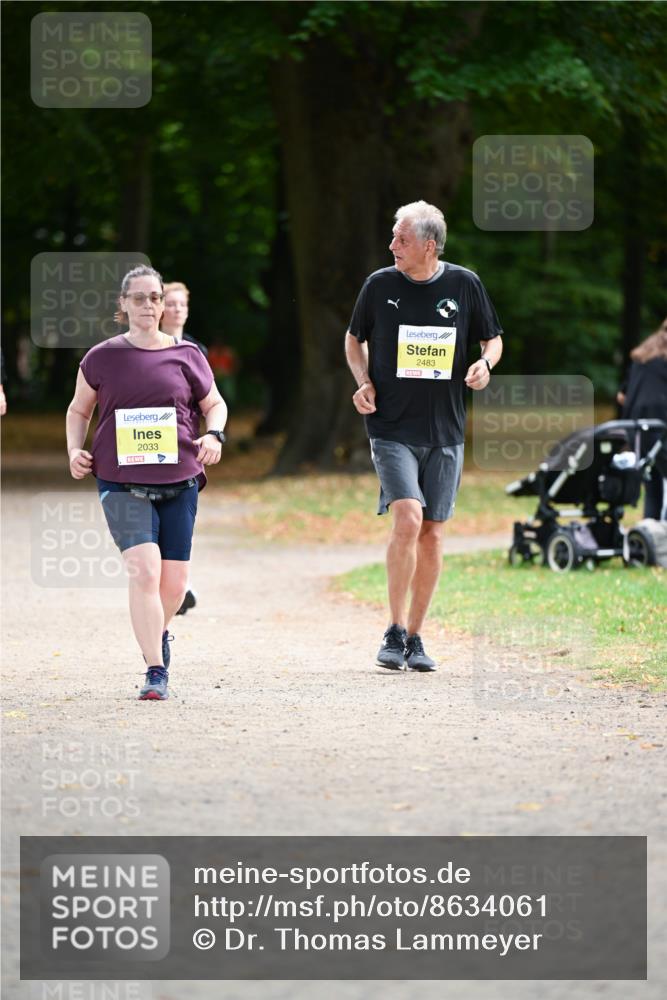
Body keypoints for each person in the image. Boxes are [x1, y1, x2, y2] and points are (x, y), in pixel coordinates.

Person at [345, 200, 503, 672]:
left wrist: (484, 364)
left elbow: (492, 338)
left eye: (402, 239)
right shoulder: (379, 285)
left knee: (432, 534)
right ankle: (392, 631)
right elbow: (354, 339)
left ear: (429, 245)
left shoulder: (463, 283)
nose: (392, 245)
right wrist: (363, 381)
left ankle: (415, 637)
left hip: (446, 429)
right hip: (391, 426)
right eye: (394, 237)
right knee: (409, 519)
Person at [66, 265, 227, 700]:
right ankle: (156, 670)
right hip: (120, 480)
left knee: (173, 586)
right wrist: (74, 450)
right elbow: (79, 410)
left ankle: (159, 631)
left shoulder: (187, 355)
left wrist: (214, 434)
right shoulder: (101, 357)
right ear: (123, 304)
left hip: (180, 477)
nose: (149, 305)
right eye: (138, 298)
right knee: (145, 571)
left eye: (155, 297)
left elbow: (214, 403)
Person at [160, 280, 208, 614]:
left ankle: (178, 581)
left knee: (181, 515)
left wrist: (212, 434)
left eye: (182, 304)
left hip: (186, 442)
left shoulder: (195, 350)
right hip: (150, 440)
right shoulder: (143, 347)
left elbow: (209, 398)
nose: (177, 309)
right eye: (171, 303)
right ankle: (167, 582)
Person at [621, 319, 667, 520]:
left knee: (652, 486)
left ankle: (652, 539)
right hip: (660, 425)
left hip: (636, 428)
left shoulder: (643, 357)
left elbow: (622, 396)